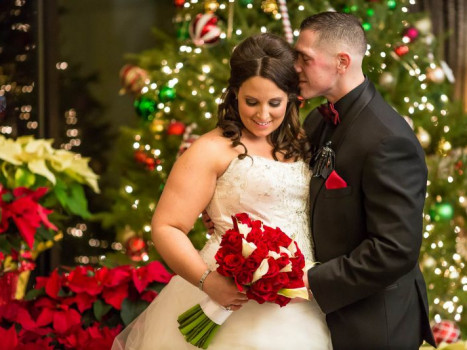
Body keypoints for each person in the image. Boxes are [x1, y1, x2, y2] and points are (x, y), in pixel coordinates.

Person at [112, 33, 332, 350]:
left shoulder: (303, 141)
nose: (263, 115)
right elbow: (166, 226)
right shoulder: (210, 150)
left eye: (275, 103)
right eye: (251, 102)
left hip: (303, 297)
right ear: (233, 95)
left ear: (291, 98)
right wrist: (209, 282)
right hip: (230, 297)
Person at [294, 12, 437, 349]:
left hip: (375, 323)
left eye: (304, 58)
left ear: (342, 62)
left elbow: (394, 250)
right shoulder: (317, 118)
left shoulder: (388, 139)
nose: (295, 67)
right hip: (325, 316)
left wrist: (310, 282)